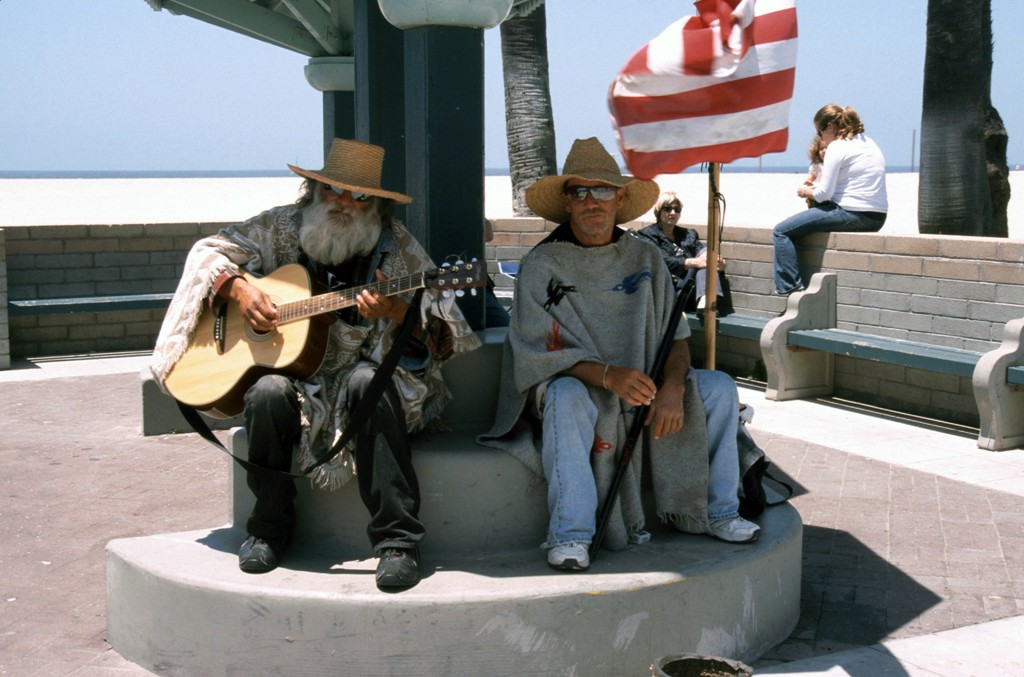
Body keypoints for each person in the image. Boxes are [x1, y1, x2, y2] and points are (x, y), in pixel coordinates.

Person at [150, 138, 480, 590]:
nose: (345, 203)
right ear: (312, 190)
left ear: (378, 206)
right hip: (293, 379)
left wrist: (396, 312)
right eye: (334, 191)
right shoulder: (278, 228)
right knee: (267, 392)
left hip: (365, 376)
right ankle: (267, 531)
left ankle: (396, 542)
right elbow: (207, 254)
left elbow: (442, 338)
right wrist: (241, 290)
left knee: (369, 383)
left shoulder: (397, 248)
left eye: (361, 196)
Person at [479, 137, 760, 572]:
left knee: (719, 388)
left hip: (646, 385)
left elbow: (676, 337)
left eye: (603, 190)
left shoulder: (646, 258)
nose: (592, 202)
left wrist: (671, 387)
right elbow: (536, 353)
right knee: (566, 396)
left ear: (621, 198)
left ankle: (717, 511)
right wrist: (608, 376)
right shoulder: (543, 265)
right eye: (580, 192)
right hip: (577, 387)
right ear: (567, 203)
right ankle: (571, 534)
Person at [772, 104, 888, 295]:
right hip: (877, 217)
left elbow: (823, 194)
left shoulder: (838, 146)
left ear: (831, 126)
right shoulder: (869, 143)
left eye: (820, 131)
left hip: (851, 213)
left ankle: (791, 288)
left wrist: (805, 191)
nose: (820, 138)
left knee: (781, 231)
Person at [634, 192, 734, 317]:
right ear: (658, 211)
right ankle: (706, 302)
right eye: (667, 208)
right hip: (670, 291)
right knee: (701, 261)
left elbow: (702, 256)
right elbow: (659, 261)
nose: (672, 213)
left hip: (693, 290)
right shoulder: (646, 235)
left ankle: (704, 302)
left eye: (677, 209)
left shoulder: (688, 234)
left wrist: (718, 264)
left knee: (706, 253)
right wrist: (692, 262)